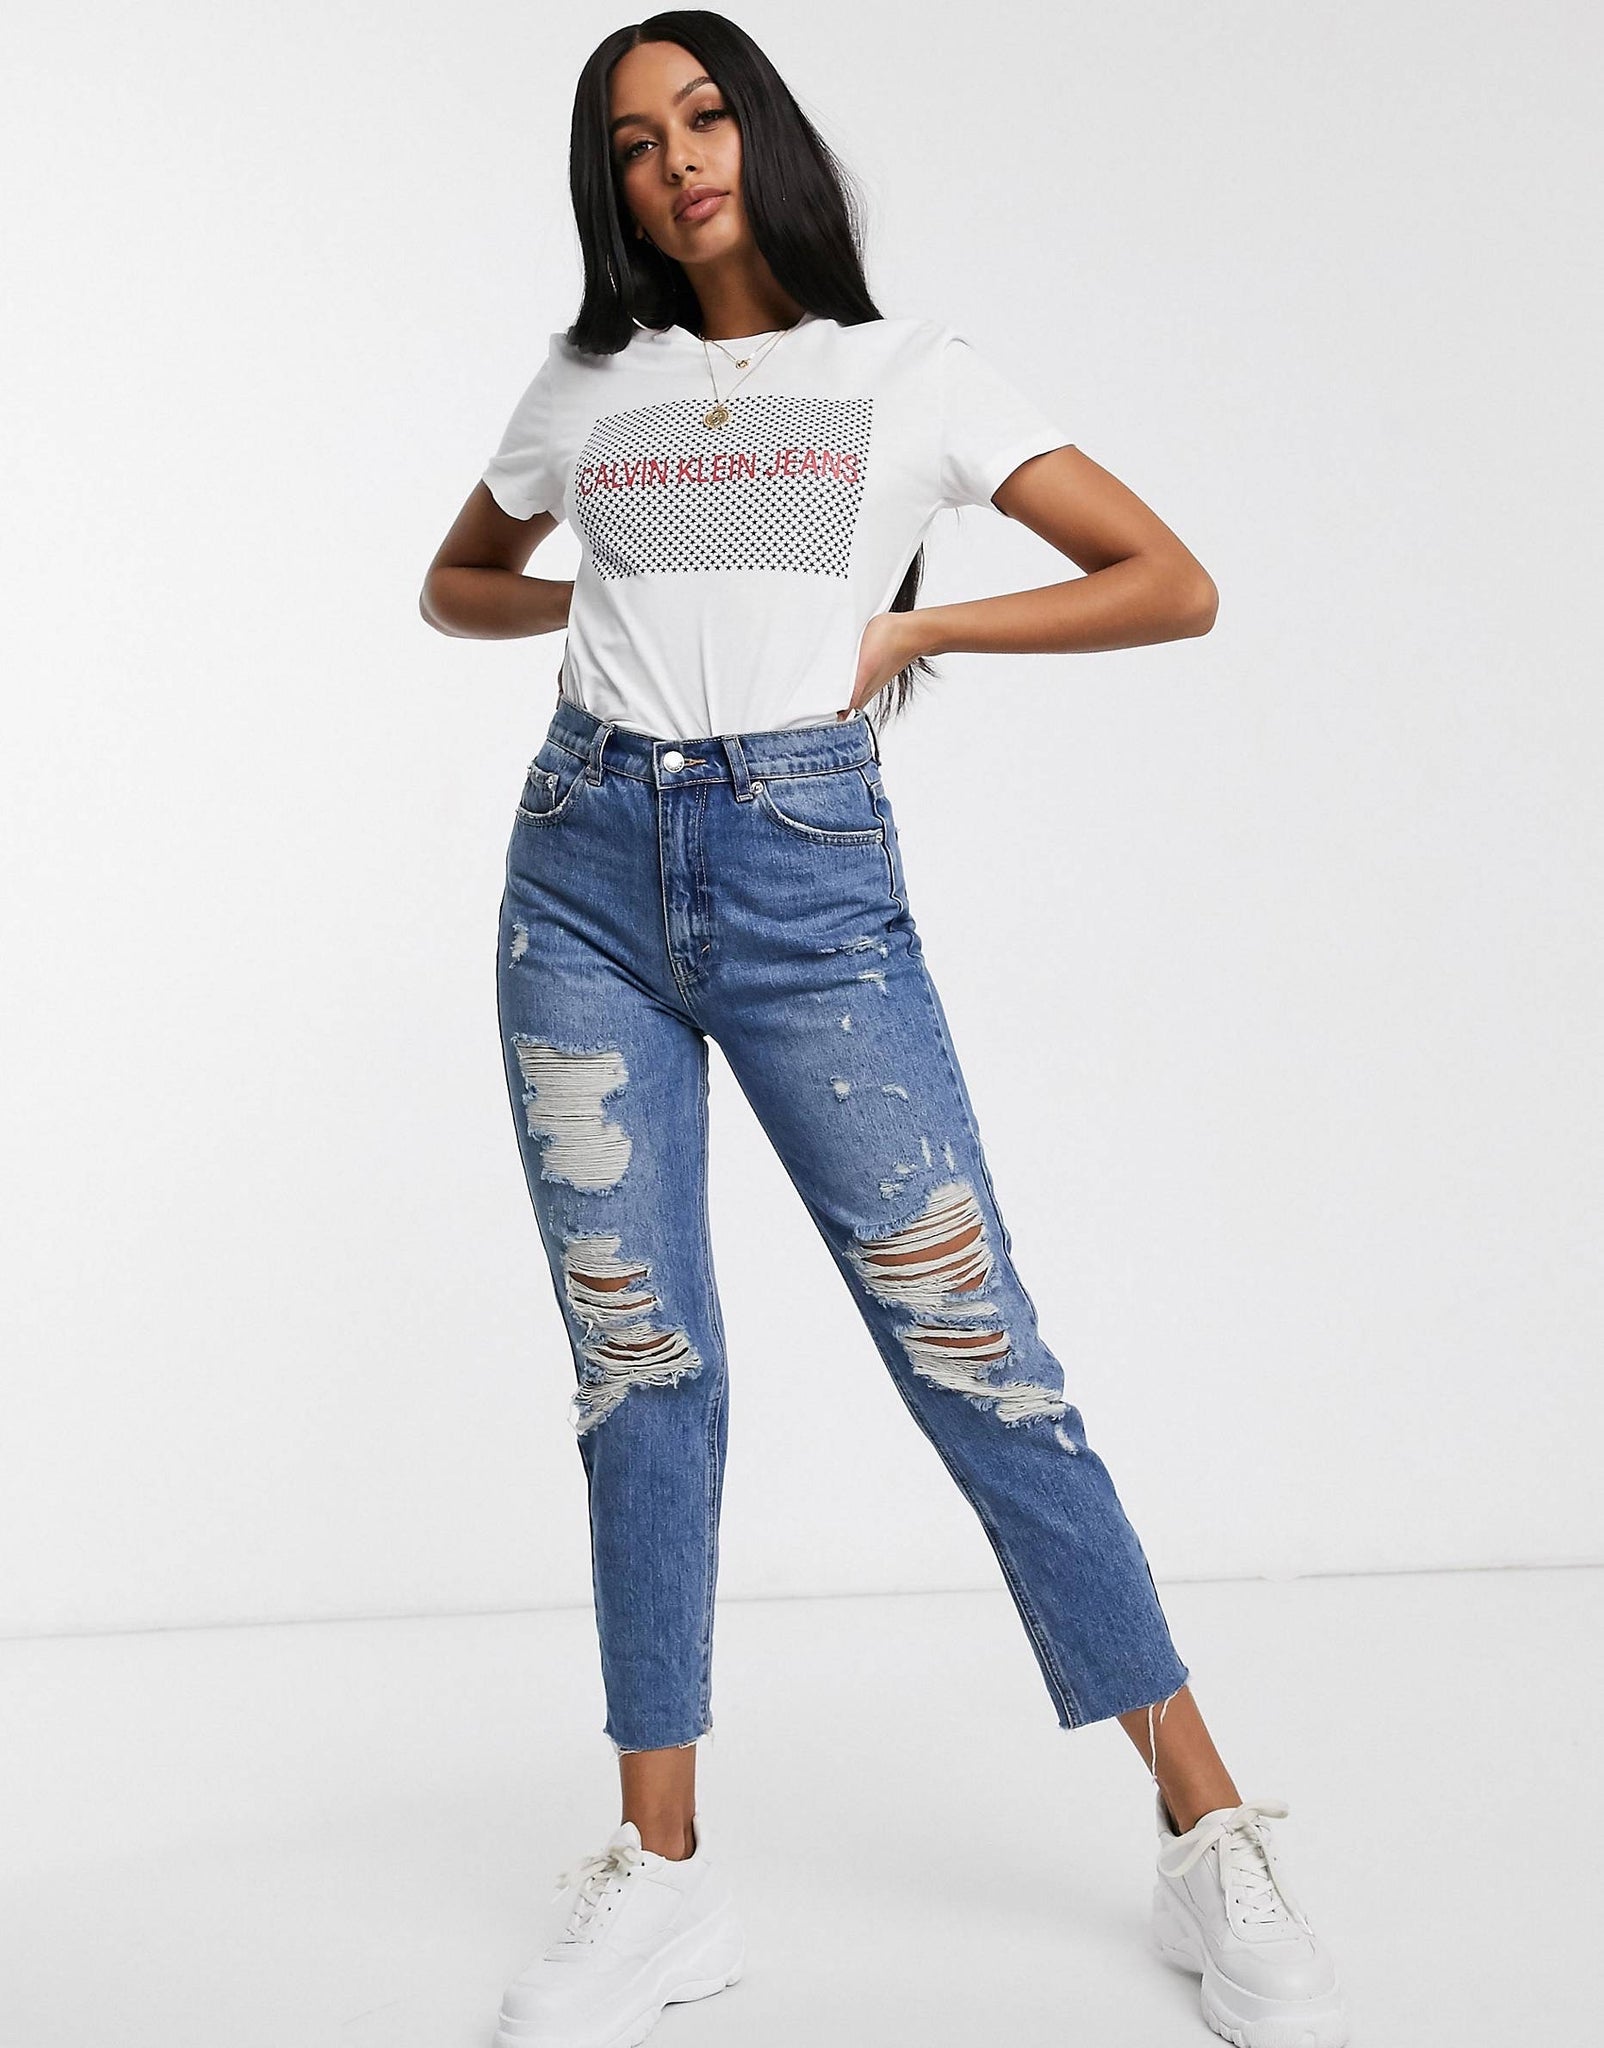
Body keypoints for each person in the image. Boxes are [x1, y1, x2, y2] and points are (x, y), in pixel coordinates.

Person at [420, 15, 1349, 2048]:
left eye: (704, 114)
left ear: (760, 132)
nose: (677, 159)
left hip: (803, 883)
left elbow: (1168, 581)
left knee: (975, 1351)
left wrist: (917, 624)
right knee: (638, 1369)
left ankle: (1204, 1823)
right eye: (634, 141)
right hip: (578, 877)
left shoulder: (907, 372)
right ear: (608, 186)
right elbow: (457, 585)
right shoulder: (588, 383)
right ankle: (660, 1875)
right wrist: (604, 593)